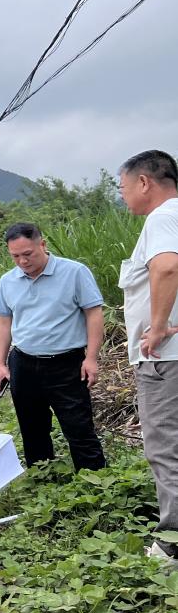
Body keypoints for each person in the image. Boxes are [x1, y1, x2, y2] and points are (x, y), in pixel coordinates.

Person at [0, 222, 107, 471]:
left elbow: (94, 314)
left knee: (78, 427)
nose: (22, 261)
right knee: (32, 427)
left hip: (67, 363)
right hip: (23, 362)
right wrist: (0, 364)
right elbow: (3, 322)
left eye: (28, 254)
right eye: (15, 256)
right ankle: (42, 478)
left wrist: (91, 358)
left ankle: (94, 481)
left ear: (42, 245)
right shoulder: (7, 281)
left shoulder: (74, 272)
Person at [118, 149, 178, 567]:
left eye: (123, 188)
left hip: (165, 357)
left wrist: (155, 327)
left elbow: (167, 268)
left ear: (144, 182)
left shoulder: (162, 217)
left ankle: (173, 543)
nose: (123, 196)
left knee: (165, 447)